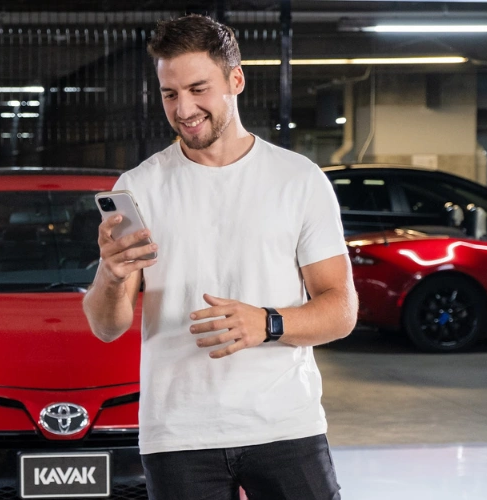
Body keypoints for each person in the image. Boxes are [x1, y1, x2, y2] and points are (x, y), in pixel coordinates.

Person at [81, 14, 358, 500]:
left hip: (284, 425)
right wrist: (111, 274)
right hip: (178, 435)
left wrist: (266, 323)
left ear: (236, 80)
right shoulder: (139, 187)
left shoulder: (298, 179)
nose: (184, 109)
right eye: (170, 94)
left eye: (198, 89)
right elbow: (107, 327)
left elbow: (341, 310)